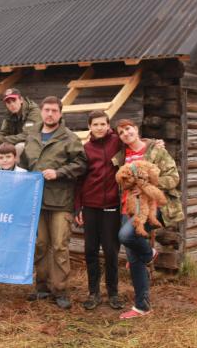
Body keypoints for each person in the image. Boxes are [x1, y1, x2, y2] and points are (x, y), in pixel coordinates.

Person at [21, 96, 87, 309]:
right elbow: (24, 165)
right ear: (41, 111)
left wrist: (59, 172)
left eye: (54, 111)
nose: (50, 114)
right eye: (46, 110)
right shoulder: (32, 136)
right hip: (35, 200)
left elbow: (81, 163)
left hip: (60, 201)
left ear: (60, 113)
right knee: (40, 245)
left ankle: (60, 290)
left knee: (59, 246)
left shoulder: (69, 137)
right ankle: (41, 287)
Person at [114, 118, 181, 319]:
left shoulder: (156, 151)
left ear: (136, 129)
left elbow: (173, 178)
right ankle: (141, 307)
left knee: (126, 236)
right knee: (134, 260)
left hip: (151, 205)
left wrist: (147, 183)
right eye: (121, 132)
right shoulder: (120, 154)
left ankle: (150, 253)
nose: (126, 133)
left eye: (128, 129)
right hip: (127, 207)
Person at [74, 110, 124, 311]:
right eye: (95, 125)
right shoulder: (85, 149)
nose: (99, 128)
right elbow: (78, 180)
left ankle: (113, 292)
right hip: (90, 206)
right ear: (89, 127)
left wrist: (156, 144)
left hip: (112, 205)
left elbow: (138, 141)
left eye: (103, 124)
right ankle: (93, 292)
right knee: (90, 250)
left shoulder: (117, 143)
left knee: (111, 250)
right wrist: (77, 207)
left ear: (108, 125)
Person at [0, 88, 41, 168]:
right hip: (15, 141)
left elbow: (27, 135)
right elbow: (3, 131)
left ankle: (15, 175)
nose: (12, 104)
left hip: (34, 143)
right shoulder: (9, 113)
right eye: (8, 102)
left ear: (21, 100)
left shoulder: (34, 111)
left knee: (19, 147)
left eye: (14, 100)